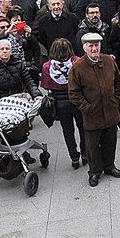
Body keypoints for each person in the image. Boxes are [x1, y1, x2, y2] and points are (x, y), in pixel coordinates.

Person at [68, 32, 120, 187]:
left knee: (110, 141)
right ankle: (94, 172)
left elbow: (119, 81)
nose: (94, 48)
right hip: (92, 115)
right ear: (84, 47)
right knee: (92, 146)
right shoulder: (77, 67)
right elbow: (74, 93)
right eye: (91, 46)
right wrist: (87, 108)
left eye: (96, 45)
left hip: (111, 112)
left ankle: (109, 166)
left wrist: (117, 99)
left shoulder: (108, 61)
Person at [41, 38, 85, 169]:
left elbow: (45, 85)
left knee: (68, 131)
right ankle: (85, 153)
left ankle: (74, 157)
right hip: (77, 100)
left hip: (60, 103)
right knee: (83, 128)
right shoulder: (78, 62)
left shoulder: (47, 67)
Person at [0, 38, 41, 107]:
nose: (5, 51)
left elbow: (29, 81)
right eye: (2, 49)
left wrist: (36, 94)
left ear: (11, 52)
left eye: (7, 49)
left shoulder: (19, 64)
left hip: (18, 100)